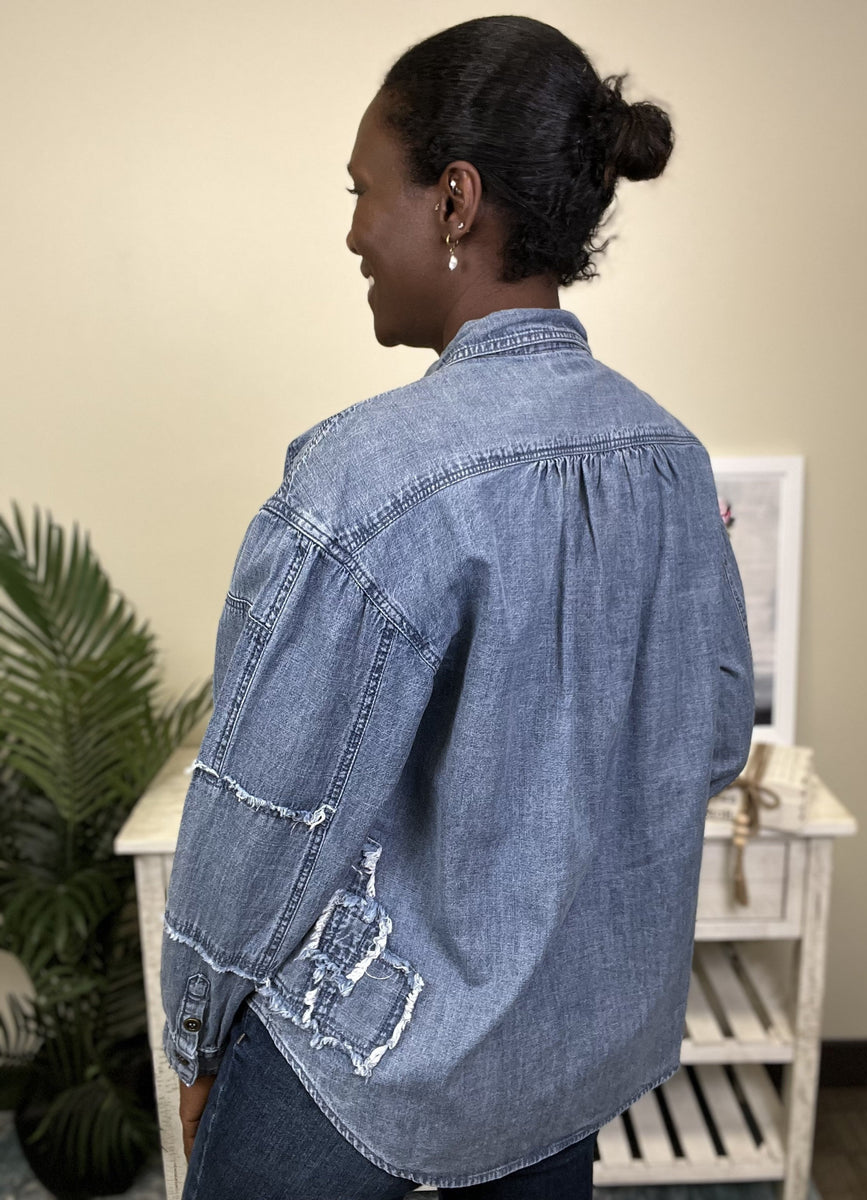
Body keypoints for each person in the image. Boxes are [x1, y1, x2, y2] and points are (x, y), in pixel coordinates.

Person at [160, 15, 754, 1200]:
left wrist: (196, 1029)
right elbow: (713, 742)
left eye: (362, 190)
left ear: (455, 200)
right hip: (559, 1063)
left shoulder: (365, 479)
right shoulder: (672, 462)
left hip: (356, 1068)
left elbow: (262, 814)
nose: (351, 231)